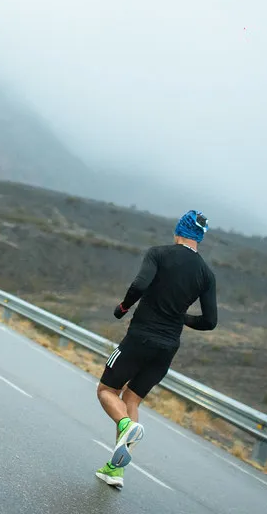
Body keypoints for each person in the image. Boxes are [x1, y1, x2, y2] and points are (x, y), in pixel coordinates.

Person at [94, 210, 218, 490]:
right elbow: (210, 321)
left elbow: (140, 284)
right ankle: (115, 470)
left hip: (140, 338)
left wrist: (123, 307)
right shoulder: (206, 274)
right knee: (132, 400)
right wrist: (181, 318)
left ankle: (126, 426)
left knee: (106, 391)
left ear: (179, 231)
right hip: (167, 349)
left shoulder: (159, 254)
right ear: (200, 238)